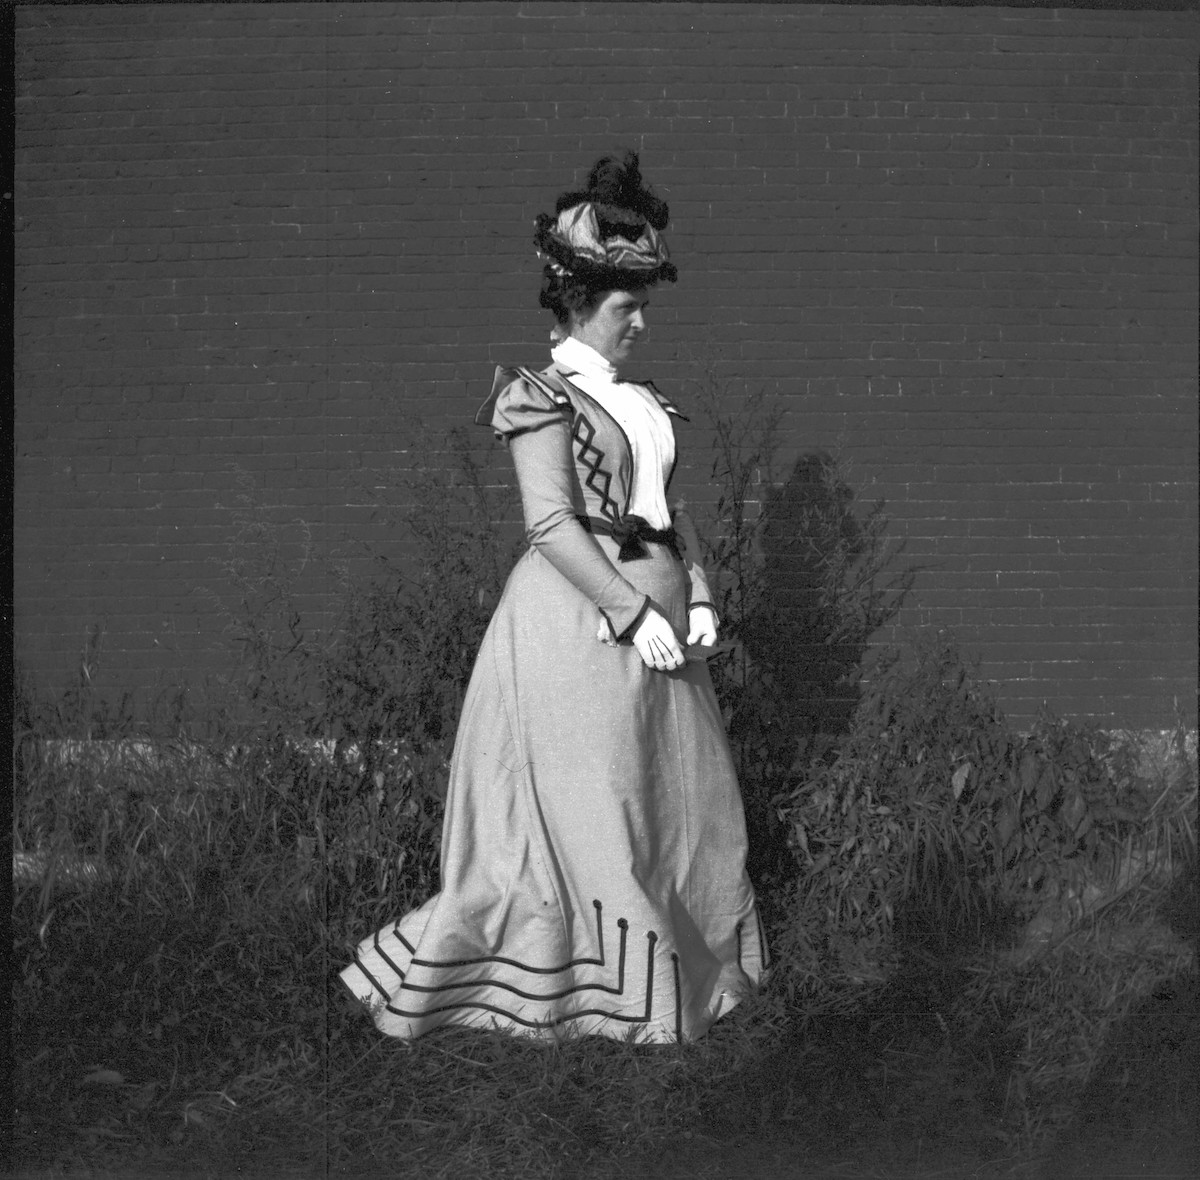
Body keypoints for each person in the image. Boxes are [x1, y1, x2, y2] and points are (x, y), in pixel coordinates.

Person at [340, 152, 766, 1043]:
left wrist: (693, 591)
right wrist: (630, 610)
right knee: (599, 801)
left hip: (659, 621)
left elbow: (666, 511)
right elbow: (552, 526)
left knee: (676, 802)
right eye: (626, 307)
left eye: (644, 303)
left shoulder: (645, 403)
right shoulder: (541, 398)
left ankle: (682, 977)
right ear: (581, 305)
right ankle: (599, 997)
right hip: (578, 623)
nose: (641, 322)